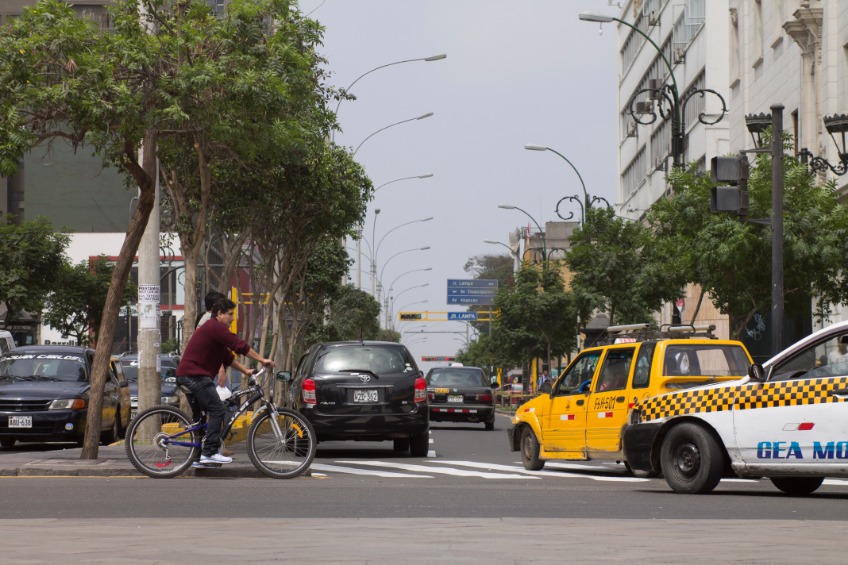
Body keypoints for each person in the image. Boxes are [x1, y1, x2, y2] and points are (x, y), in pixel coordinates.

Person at [176, 298, 274, 467]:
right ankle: (210, 452)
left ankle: (198, 458)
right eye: (230, 314)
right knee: (218, 410)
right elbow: (239, 345)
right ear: (219, 314)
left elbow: (227, 357)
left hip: (189, 375)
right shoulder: (216, 327)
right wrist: (261, 359)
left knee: (200, 419)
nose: (232, 318)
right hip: (195, 376)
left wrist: (245, 370)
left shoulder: (215, 332)